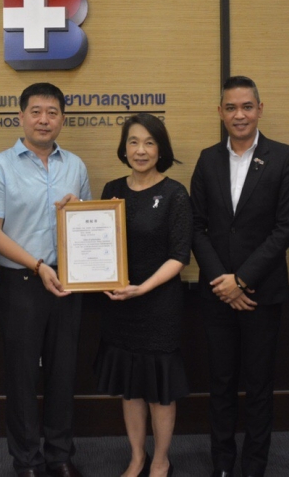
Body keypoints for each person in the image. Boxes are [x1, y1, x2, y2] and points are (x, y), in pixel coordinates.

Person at [190, 75, 289, 477]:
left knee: (258, 386)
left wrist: (241, 280)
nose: (239, 115)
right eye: (231, 107)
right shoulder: (207, 159)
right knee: (220, 383)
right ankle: (222, 464)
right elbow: (196, 227)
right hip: (217, 294)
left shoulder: (284, 158)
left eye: (247, 106)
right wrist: (224, 281)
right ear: (220, 112)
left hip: (261, 294)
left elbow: (285, 228)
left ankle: (254, 465)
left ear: (260, 109)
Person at [0, 82, 91, 477]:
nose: (44, 120)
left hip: (68, 282)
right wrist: (38, 265)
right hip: (21, 284)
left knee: (63, 372)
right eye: (36, 111)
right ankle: (26, 458)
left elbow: (87, 225)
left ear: (63, 118)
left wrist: (80, 209)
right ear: (21, 116)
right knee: (22, 375)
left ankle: (59, 455)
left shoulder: (75, 166)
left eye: (52, 112)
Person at [95, 113, 192, 477]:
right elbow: (98, 241)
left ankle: (161, 460)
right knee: (130, 386)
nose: (140, 150)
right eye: (133, 142)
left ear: (160, 149)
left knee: (159, 390)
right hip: (120, 305)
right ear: (124, 148)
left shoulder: (175, 194)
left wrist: (143, 288)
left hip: (158, 305)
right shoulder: (112, 190)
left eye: (149, 143)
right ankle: (137, 457)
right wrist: (73, 211)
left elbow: (179, 256)